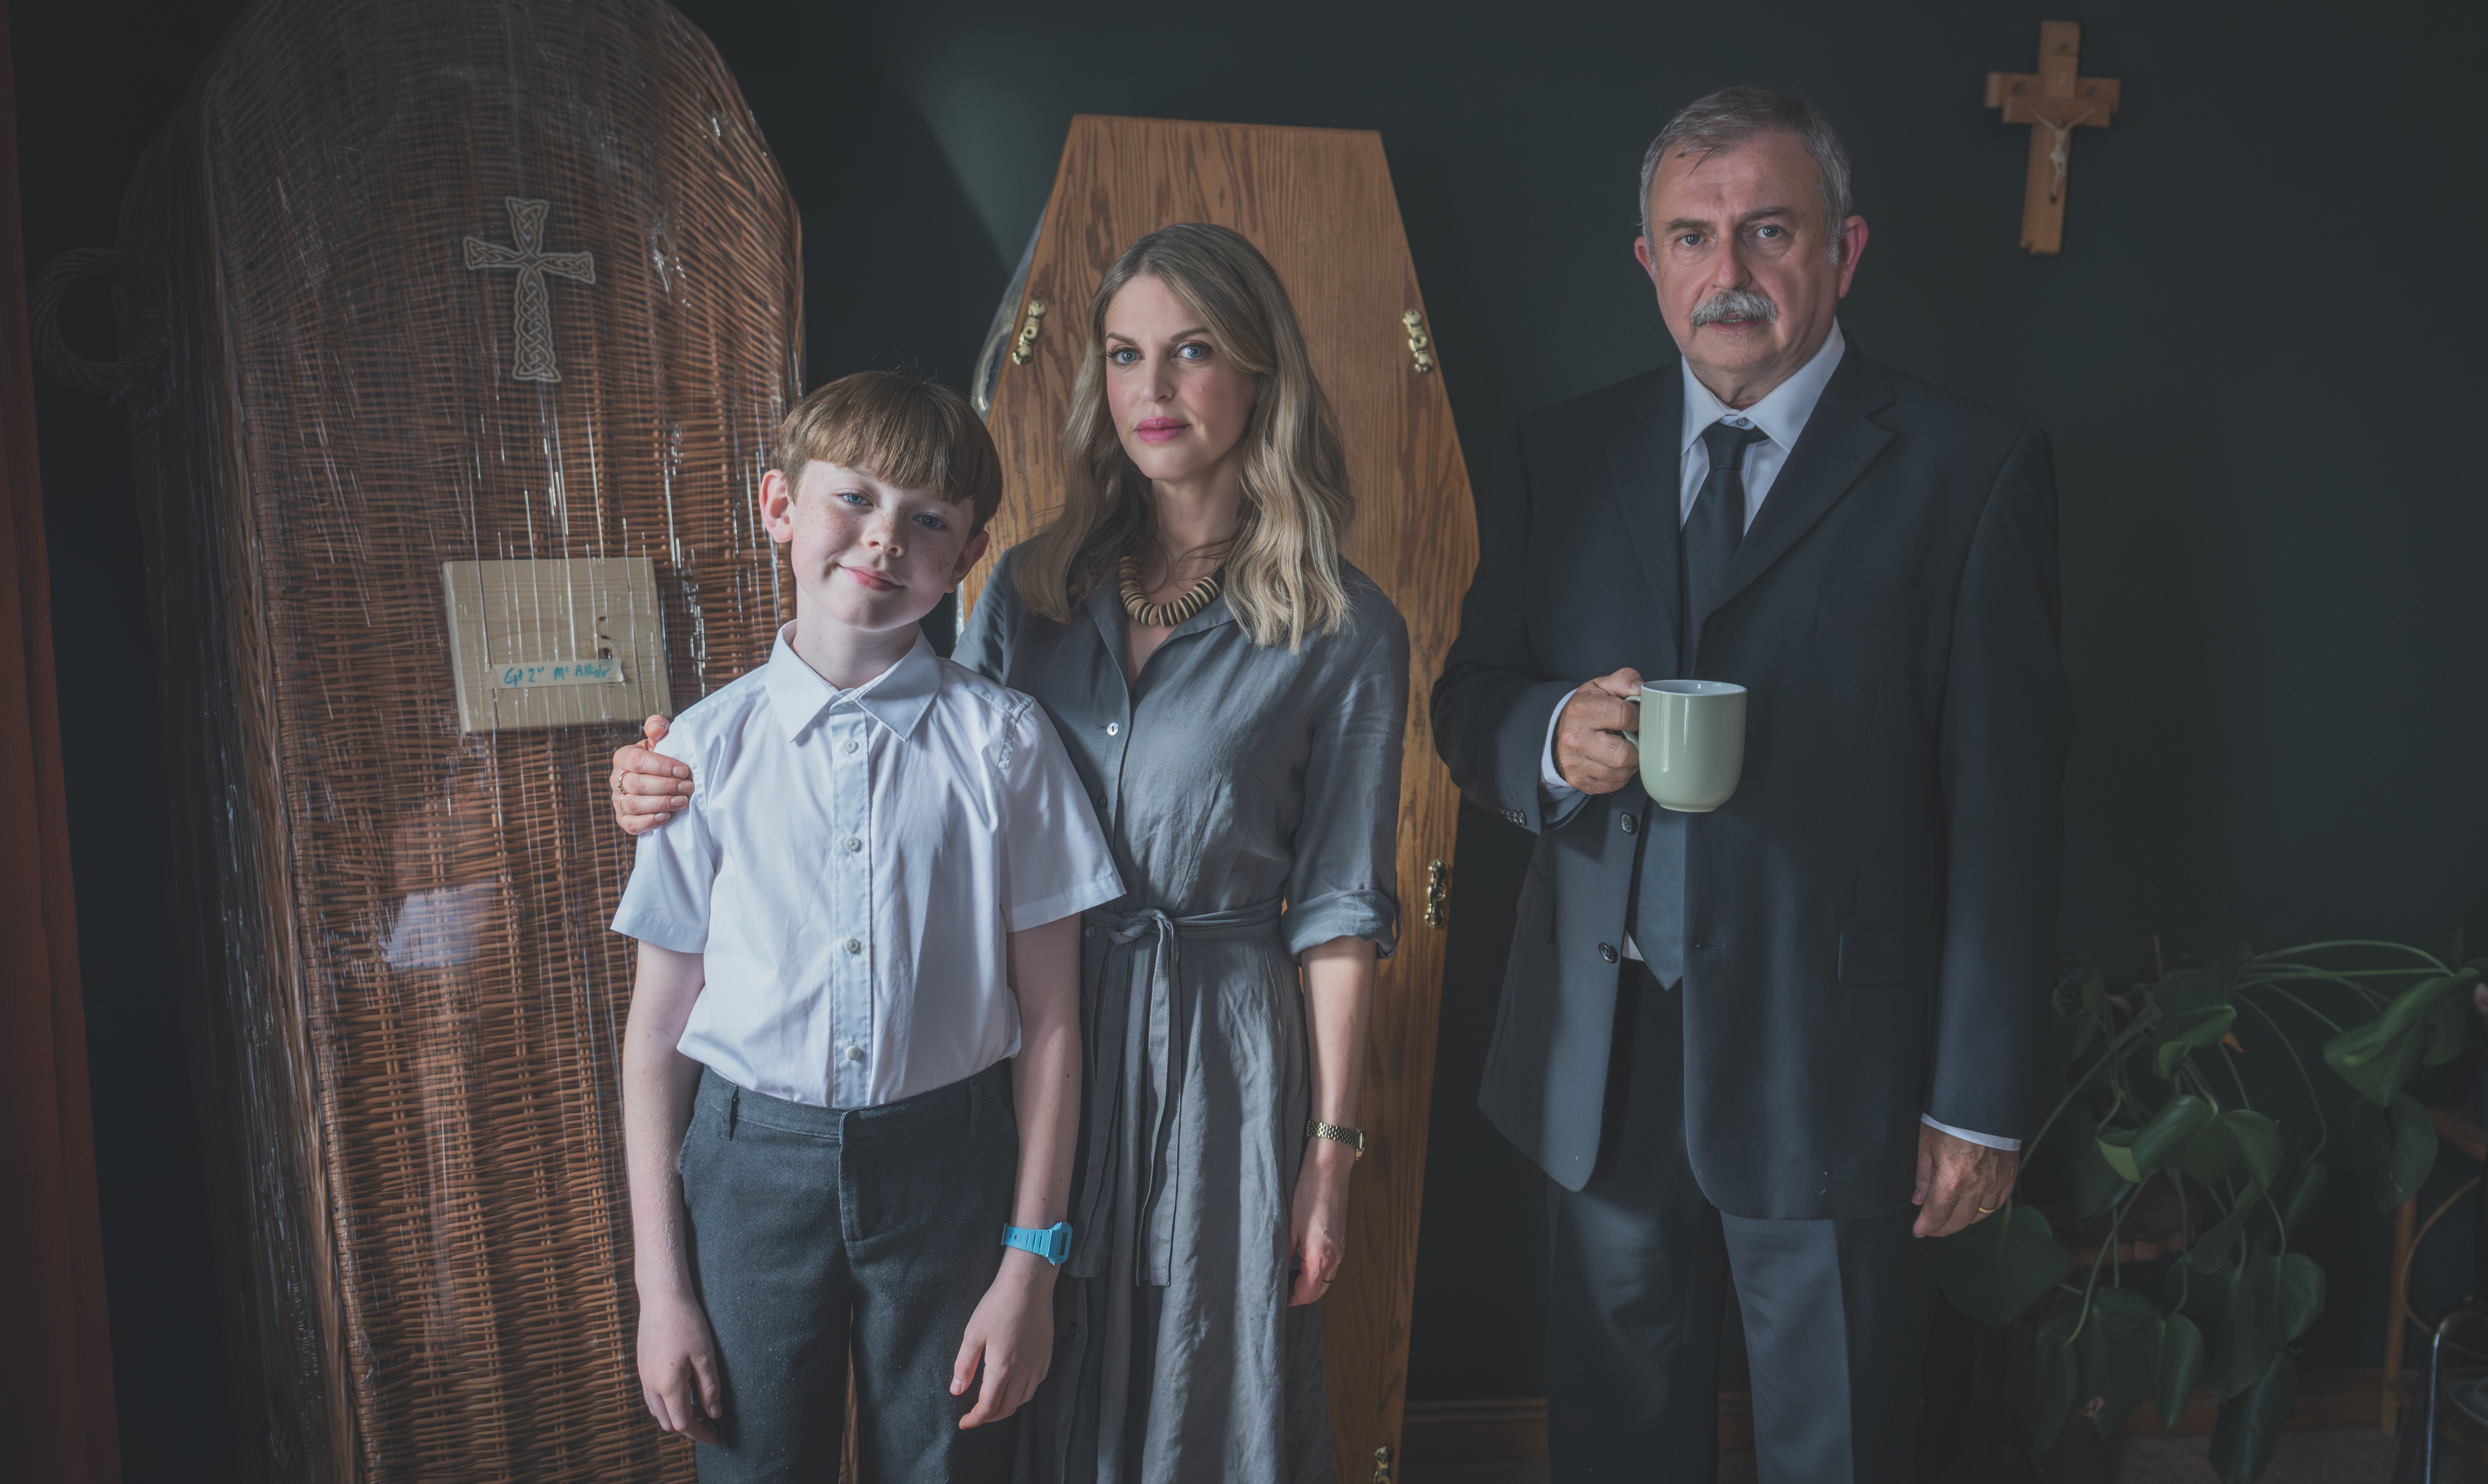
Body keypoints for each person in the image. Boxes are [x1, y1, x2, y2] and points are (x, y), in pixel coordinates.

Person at [613, 223, 1410, 1484]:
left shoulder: (1342, 623)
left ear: (1263, 376)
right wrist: (671, 770)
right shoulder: (1035, 588)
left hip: (1208, 1055)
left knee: (1188, 1378)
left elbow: (1342, 904)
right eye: (1125, 354)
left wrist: (1331, 1147)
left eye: (1194, 351)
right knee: (1004, 1405)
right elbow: (895, 744)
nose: (1153, 387)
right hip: (1002, 1066)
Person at [1430, 87, 2071, 1481]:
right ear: (1647, 261)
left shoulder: (1970, 470)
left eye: (1768, 231)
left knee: (1839, 1449)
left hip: (1839, 1075)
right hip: (1601, 1064)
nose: (1727, 271)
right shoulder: (1559, 454)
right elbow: (1468, 699)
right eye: (1692, 236)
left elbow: (2007, 817)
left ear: (1844, 250)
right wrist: (1551, 732)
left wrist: (1977, 1101)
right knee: (1615, 1452)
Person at [614, 370, 1123, 1482]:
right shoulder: (696, 755)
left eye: (927, 519)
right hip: (747, 1177)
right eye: (853, 498)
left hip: (952, 1171)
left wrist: (1029, 1267)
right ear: (779, 506)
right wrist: (661, 1288)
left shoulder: (1007, 747)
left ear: (966, 554)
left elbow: (1051, 1023)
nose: (886, 539)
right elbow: (656, 1032)